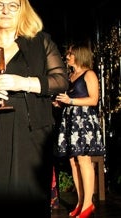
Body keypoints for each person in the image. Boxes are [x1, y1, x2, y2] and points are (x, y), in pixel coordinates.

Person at [0, 0, 69, 217]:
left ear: (22, 10)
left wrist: (24, 83)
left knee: (29, 204)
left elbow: (61, 80)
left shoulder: (40, 42)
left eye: (13, 5)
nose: (5, 10)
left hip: (31, 135)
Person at [54, 42, 106, 218]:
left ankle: (88, 204)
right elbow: (70, 99)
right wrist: (60, 103)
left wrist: (71, 102)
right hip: (70, 120)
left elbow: (93, 100)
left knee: (84, 161)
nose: (67, 56)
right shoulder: (70, 76)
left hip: (83, 122)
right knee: (73, 162)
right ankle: (80, 201)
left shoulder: (89, 74)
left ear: (79, 55)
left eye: (70, 54)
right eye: (67, 53)